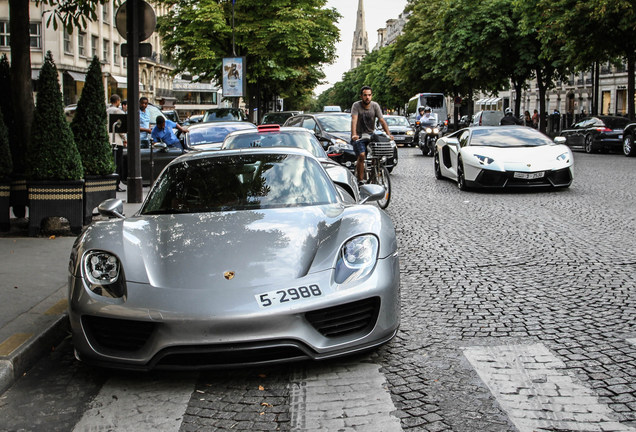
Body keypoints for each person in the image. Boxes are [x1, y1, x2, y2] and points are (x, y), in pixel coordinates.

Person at [350, 85, 393, 183]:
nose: (367, 97)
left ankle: (374, 176)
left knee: (376, 155)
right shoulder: (356, 106)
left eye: (369, 95)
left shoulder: (375, 106)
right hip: (359, 136)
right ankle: (360, 181)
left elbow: (382, 121)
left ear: (371, 96)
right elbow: (354, 120)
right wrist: (354, 134)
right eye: (365, 95)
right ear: (361, 96)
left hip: (371, 135)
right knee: (361, 155)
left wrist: (388, 134)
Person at [107, 94, 127, 191]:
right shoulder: (118, 112)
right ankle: (116, 184)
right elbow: (121, 129)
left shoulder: (106, 111)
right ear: (118, 101)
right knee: (118, 163)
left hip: (108, 140)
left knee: (111, 162)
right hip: (117, 140)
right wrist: (125, 139)